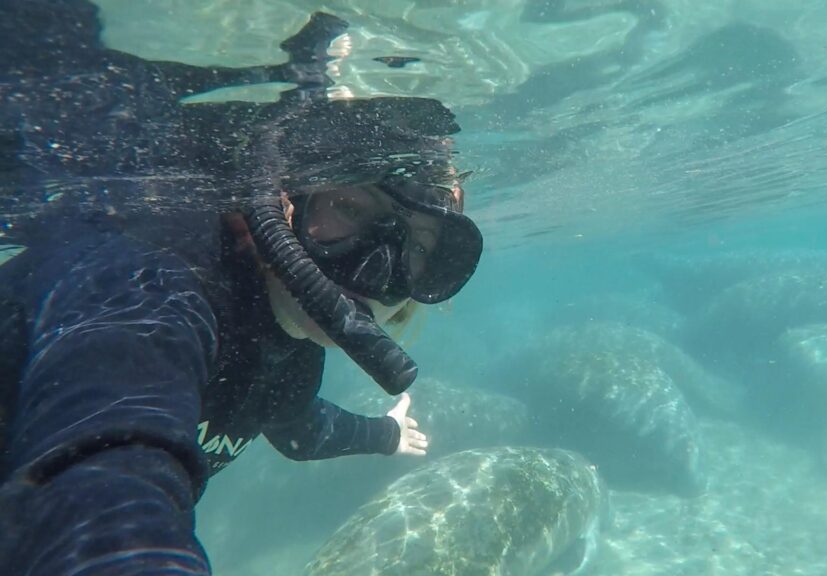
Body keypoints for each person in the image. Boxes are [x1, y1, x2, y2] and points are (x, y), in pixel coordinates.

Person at [0, 2, 483, 574]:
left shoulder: (290, 343)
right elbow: (102, 481)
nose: (374, 273)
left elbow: (297, 427)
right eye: (349, 208)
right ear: (282, 202)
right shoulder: (149, 284)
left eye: (417, 250)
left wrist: (386, 434)